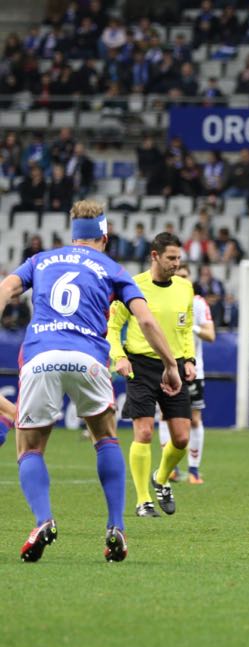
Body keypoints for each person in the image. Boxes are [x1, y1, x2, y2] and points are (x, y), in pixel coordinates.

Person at [2, 200, 182, 562]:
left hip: (41, 355)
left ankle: (43, 520)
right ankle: (116, 526)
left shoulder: (41, 260)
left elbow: (5, 289)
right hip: (89, 359)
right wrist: (170, 364)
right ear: (104, 235)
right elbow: (145, 321)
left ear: (73, 234)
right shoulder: (113, 268)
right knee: (105, 438)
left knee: (30, 449)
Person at [107, 233, 196, 518]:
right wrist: (119, 357)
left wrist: (190, 359)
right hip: (141, 365)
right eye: (171, 258)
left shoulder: (185, 288)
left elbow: (186, 328)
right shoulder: (132, 286)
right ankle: (143, 500)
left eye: (179, 258)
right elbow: (111, 326)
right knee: (143, 431)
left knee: (182, 438)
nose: (176, 263)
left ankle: (160, 478)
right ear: (155, 256)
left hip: (176, 366)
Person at [157, 263, 215, 485]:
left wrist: (193, 328)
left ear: (190, 279)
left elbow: (211, 335)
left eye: (185, 275)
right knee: (164, 416)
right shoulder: (162, 300)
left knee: (194, 419)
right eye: (178, 274)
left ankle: (194, 469)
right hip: (164, 367)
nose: (181, 278)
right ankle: (169, 468)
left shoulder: (198, 303)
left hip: (193, 369)